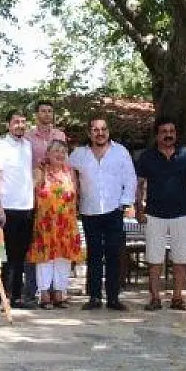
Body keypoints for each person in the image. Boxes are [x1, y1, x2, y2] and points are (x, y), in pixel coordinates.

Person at [71, 116, 136, 311]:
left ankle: (114, 297)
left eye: (103, 129)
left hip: (113, 210)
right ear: (89, 133)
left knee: (114, 254)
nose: (100, 133)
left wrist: (125, 203)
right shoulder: (79, 154)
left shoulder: (120, 152)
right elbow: (65, 173)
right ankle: (94, 297)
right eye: (96, 129)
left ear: (108, 131)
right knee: (93, 255)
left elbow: (130, 178)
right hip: (89, 211)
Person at [135, 118, 186, 311]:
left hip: (182, 213)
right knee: (154, 258)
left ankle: (178, 298)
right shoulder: (146, 156)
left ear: (176, 134)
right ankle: (155, 298)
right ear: (157, 134)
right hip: (154, 214)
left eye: (172, 131)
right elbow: (140, 184)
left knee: (181, 258)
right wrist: (139, 209)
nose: (168, 135)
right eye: (164, 131)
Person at [28, 140, 83, 309]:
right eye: (56, 151)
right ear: (48, 154)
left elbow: (77, 196)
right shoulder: (40, 171)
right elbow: (30, 195)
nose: (59, 154)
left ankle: (59, 292)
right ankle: (44, 294)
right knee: (45, 259)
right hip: (45, 223)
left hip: (66, 223)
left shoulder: (70, 173)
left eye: (63, 151)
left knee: (63, 259)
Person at [24, 100, 65, 303]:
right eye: (43, 111)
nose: (47, 114)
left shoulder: (60, 136)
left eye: (50, 111)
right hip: (36, 192)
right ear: (36, 114)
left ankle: (56, 290)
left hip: (59, 197)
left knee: (57, 248)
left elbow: (64, 161)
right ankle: (35, 291)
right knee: (37, 245)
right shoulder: (28, 137)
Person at [0, 110, 35, 308]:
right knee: (7, 255)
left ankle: (17, 296)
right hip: (7, 207)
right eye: (16, 122)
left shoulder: (28, 145)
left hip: (26, 206)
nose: (20, 125)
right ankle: (5, 297)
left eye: (23, 122)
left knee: (21, 254)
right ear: (8, 125)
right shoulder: (0, 146)